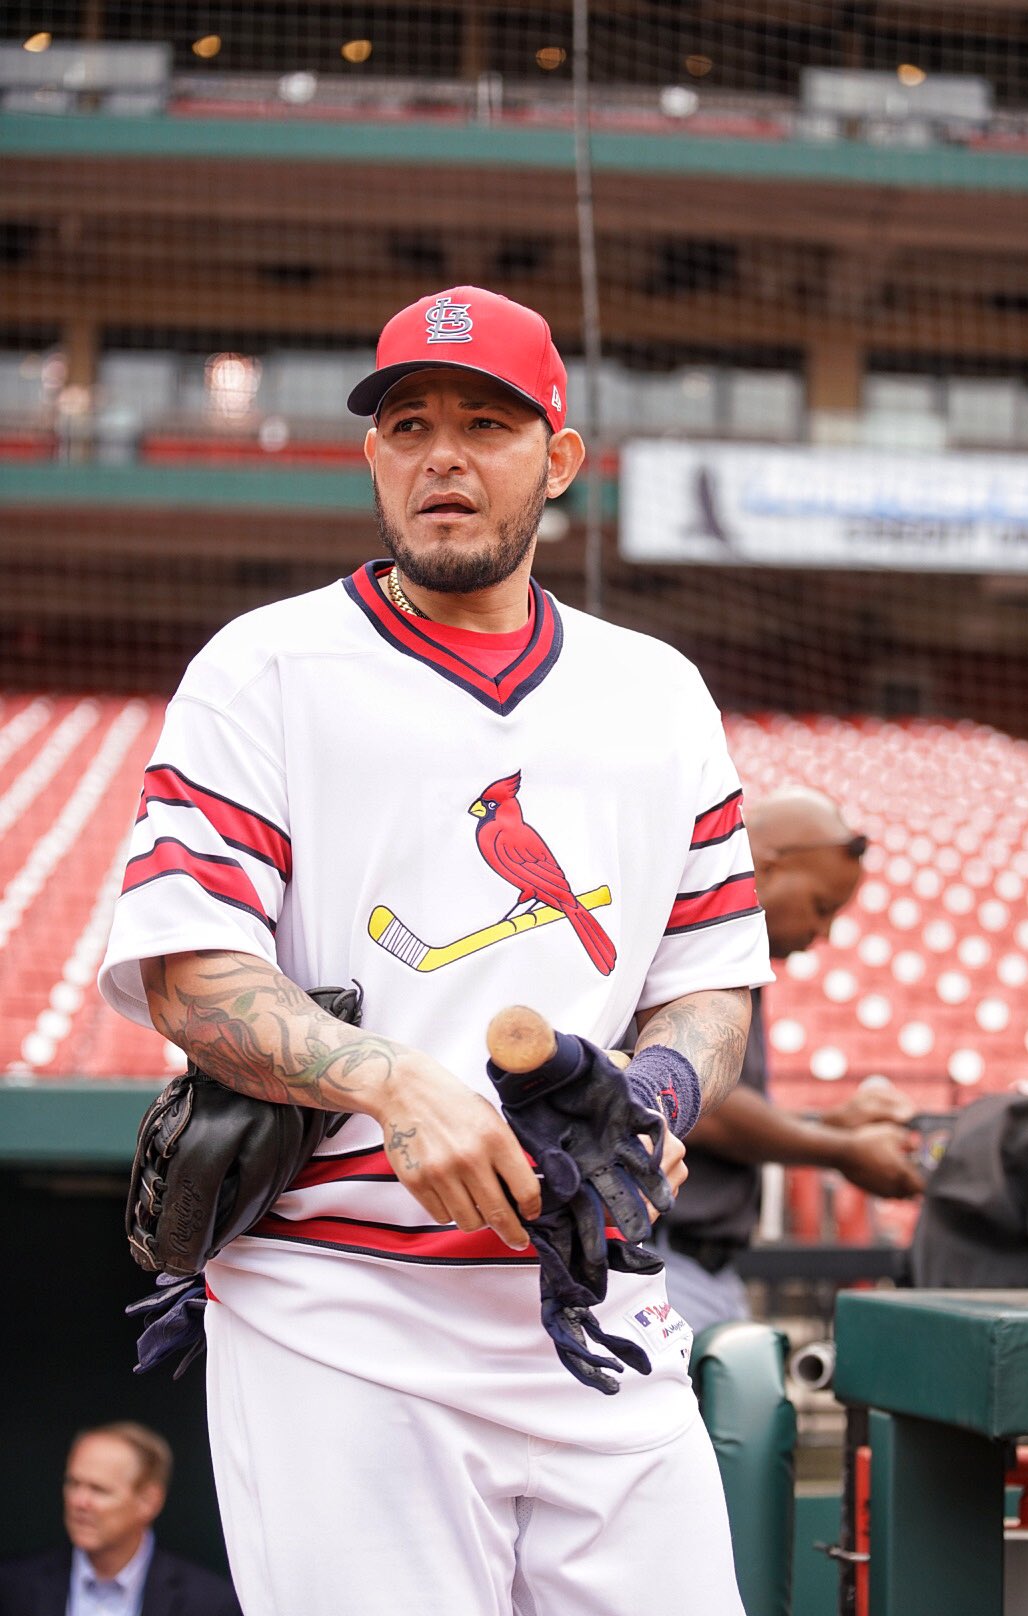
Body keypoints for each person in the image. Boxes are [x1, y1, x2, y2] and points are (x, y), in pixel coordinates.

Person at [98, 286, 774, 1615]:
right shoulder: (266, 668)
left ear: (559, 459)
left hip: (591, 1295)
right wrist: (396, 1082)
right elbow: (190, 970)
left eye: (485, 422)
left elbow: (707, 975)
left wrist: (658, 1100)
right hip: (334, 1300)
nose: (442, 455)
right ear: (372, 455)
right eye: (407, 424)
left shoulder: (659, 692)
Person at [654, 785, 926, 1332]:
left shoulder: (739, 959)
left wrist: (826, 1124)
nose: (823, 932)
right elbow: (697, 1104)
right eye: (821, 908)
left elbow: (729, 1105)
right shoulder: (683, 939)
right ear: (766, 867)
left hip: (709, 1269)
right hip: (663, 1261)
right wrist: (842, 1149)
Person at [0, 1422, 241, 1616]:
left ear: (148, 1502)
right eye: (73, 1483)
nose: (79, 1501)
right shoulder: (13, 1588)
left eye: (99, 1489)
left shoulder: (210, 1603)